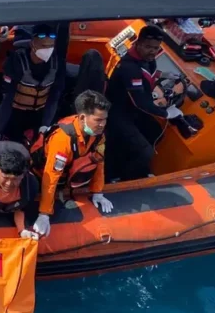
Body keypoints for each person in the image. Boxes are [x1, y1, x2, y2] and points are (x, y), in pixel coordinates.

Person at [31, 90, 113, 237]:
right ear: (82, 117)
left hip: (68, 176)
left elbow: (99, 162)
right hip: (42, 175)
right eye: (98, 120)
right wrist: (44, 213)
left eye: (105, 119)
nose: (102, 124)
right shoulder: (63, 139)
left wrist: (97, 192)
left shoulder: (98, 135)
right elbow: (51, 177)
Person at [105, 25, 180, 181]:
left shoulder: (148, 60)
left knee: (155, 131)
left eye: (156, 48)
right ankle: (125, 179)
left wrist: (162, 75)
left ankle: (133, 166)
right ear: (138, 44)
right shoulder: (129, 68)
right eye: (148, 47)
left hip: (132, 111)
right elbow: (140, 102)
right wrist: (166, 113)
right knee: (146, 152)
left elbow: (148, 74)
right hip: (118, 115)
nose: (152, 51)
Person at [0, 23, 65, 147]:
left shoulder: (57, 63)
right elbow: (7, 98)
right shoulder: (16, 61)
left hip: (41, 114)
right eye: (43, 46)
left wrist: (45, 126)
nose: (47, 50)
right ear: (32, 44)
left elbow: (54, 97)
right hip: (15, 114)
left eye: (51, 46)